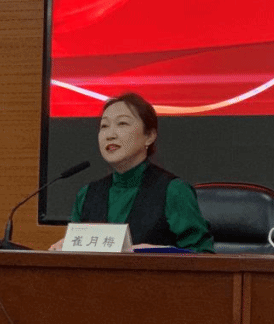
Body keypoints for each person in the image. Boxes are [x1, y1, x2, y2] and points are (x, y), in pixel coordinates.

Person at [50, 93, 214, 252]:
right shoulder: (87, 194)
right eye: (104, 126)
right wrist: (65, 249)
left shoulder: (173, 191)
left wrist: (160, 253)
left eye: (122, 124)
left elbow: (203, 254)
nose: (110, 135)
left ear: (149, 136)